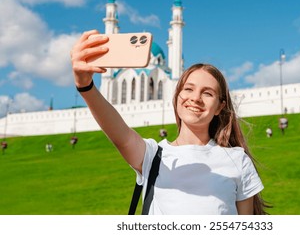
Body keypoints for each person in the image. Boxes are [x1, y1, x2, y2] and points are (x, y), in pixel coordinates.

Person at [70, 30, 269, 215]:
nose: (196, 98)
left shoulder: (237, 159)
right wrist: (85, 86)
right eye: (188, 89)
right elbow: (120, 134)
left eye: (207, 93)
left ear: (219, 107)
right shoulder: (153, 156)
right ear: (176, 97)